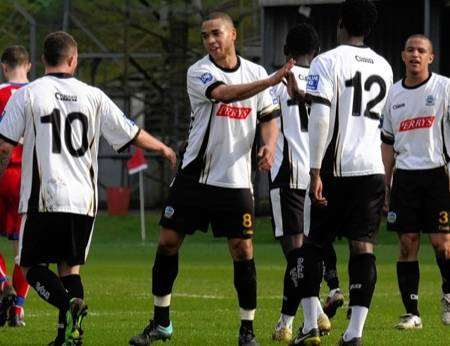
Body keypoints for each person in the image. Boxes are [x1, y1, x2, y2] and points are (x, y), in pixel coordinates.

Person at [0, 31, 176, 346]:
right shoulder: (93, 95)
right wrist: (162, 148)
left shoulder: (28, 94)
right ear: (74, 59)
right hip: (83, 201)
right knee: (71, 270)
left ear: (42, 60)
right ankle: (69, 336)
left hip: (44, 197)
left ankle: (68, 308)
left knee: (29, 266)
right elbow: (130, 132)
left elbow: (3, 146)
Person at [129, 11, 294, 346]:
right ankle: (162, 323)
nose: (211, 41)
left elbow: (269, 116)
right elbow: (224, 94)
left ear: (233, 34)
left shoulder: (255, 71)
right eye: (205, 36)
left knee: (242, 249)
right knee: (168, 242)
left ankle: (247, 331)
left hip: (235, 181)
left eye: (216, 33)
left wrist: (270, 144)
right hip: (195, 176)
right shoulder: (200, 71)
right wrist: (271, 81)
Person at [288, 1, 393, 345]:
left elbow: (323, 117)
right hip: (372, 169)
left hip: (336, 168)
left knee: (311, 245)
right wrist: (302, 96)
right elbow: (354, 111)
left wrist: (315, 170)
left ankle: (308, 326)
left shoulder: (326, 60)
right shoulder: (384, 66)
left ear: (342, 23)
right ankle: (353, 334)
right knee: (363, 247)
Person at [268, 23, 343, 343]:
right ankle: (288, 323)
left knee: (296, 255)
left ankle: (313, 320)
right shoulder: (325, 82)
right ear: (316, 52)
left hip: (287, 176)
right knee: (307, 253)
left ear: (286, 51)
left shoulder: (276, 87)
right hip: (319, 177)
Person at [381, 34, 450, 329]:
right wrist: (385, 180)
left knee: (442, 244)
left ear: (430, 58)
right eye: (410, 49)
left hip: (438, 175)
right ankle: (412, 313)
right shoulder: (393, 95)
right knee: (408, 243)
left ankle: (448, 297)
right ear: (402, 55)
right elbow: (387, 141)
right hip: (405, 179)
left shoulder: (444, 87)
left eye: (421, 50)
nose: (415, 55)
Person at [0, 45, 30, 328]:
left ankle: (1, 284)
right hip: (29, 178)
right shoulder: (40, 93)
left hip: (1, 172)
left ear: (3, 66)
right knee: (25, 248)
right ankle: (17, 310)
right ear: (29, 65)